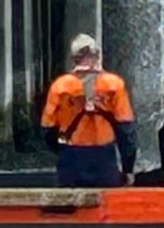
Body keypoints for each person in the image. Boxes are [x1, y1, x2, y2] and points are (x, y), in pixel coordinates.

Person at [40, 34, 137, 188]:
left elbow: (47, 130)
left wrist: (62, 150)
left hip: (71, 159)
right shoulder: (114, 85)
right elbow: (126, 132)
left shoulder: (60, 86)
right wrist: (128, 169)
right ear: (97, 55)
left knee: (69, 208)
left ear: (74, 58)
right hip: (104, 159)